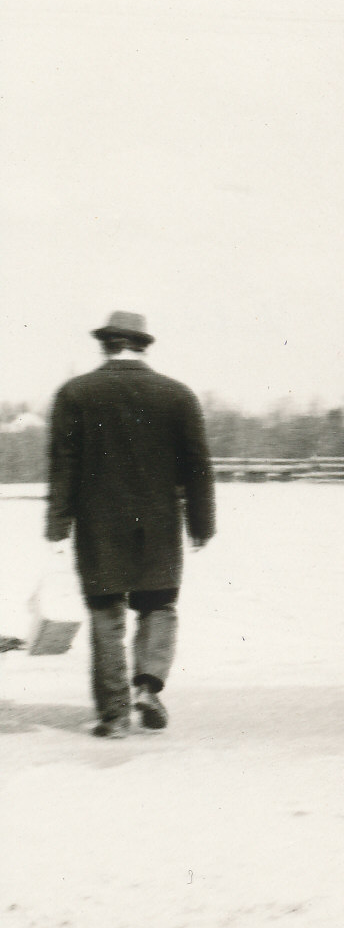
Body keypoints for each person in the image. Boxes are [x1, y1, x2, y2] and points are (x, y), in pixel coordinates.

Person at [45, 311, 215, 738]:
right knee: (158, 605)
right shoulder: (177, 395)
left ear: (105, 344)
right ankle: (148, 687)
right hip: (158, 524)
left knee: (106, 614)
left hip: (98, 526)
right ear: (143, 345)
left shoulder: (75, 393)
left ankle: (115, 715)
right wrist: (201, 522)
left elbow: (62, 464)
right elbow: (197, 465)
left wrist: (57, 524)